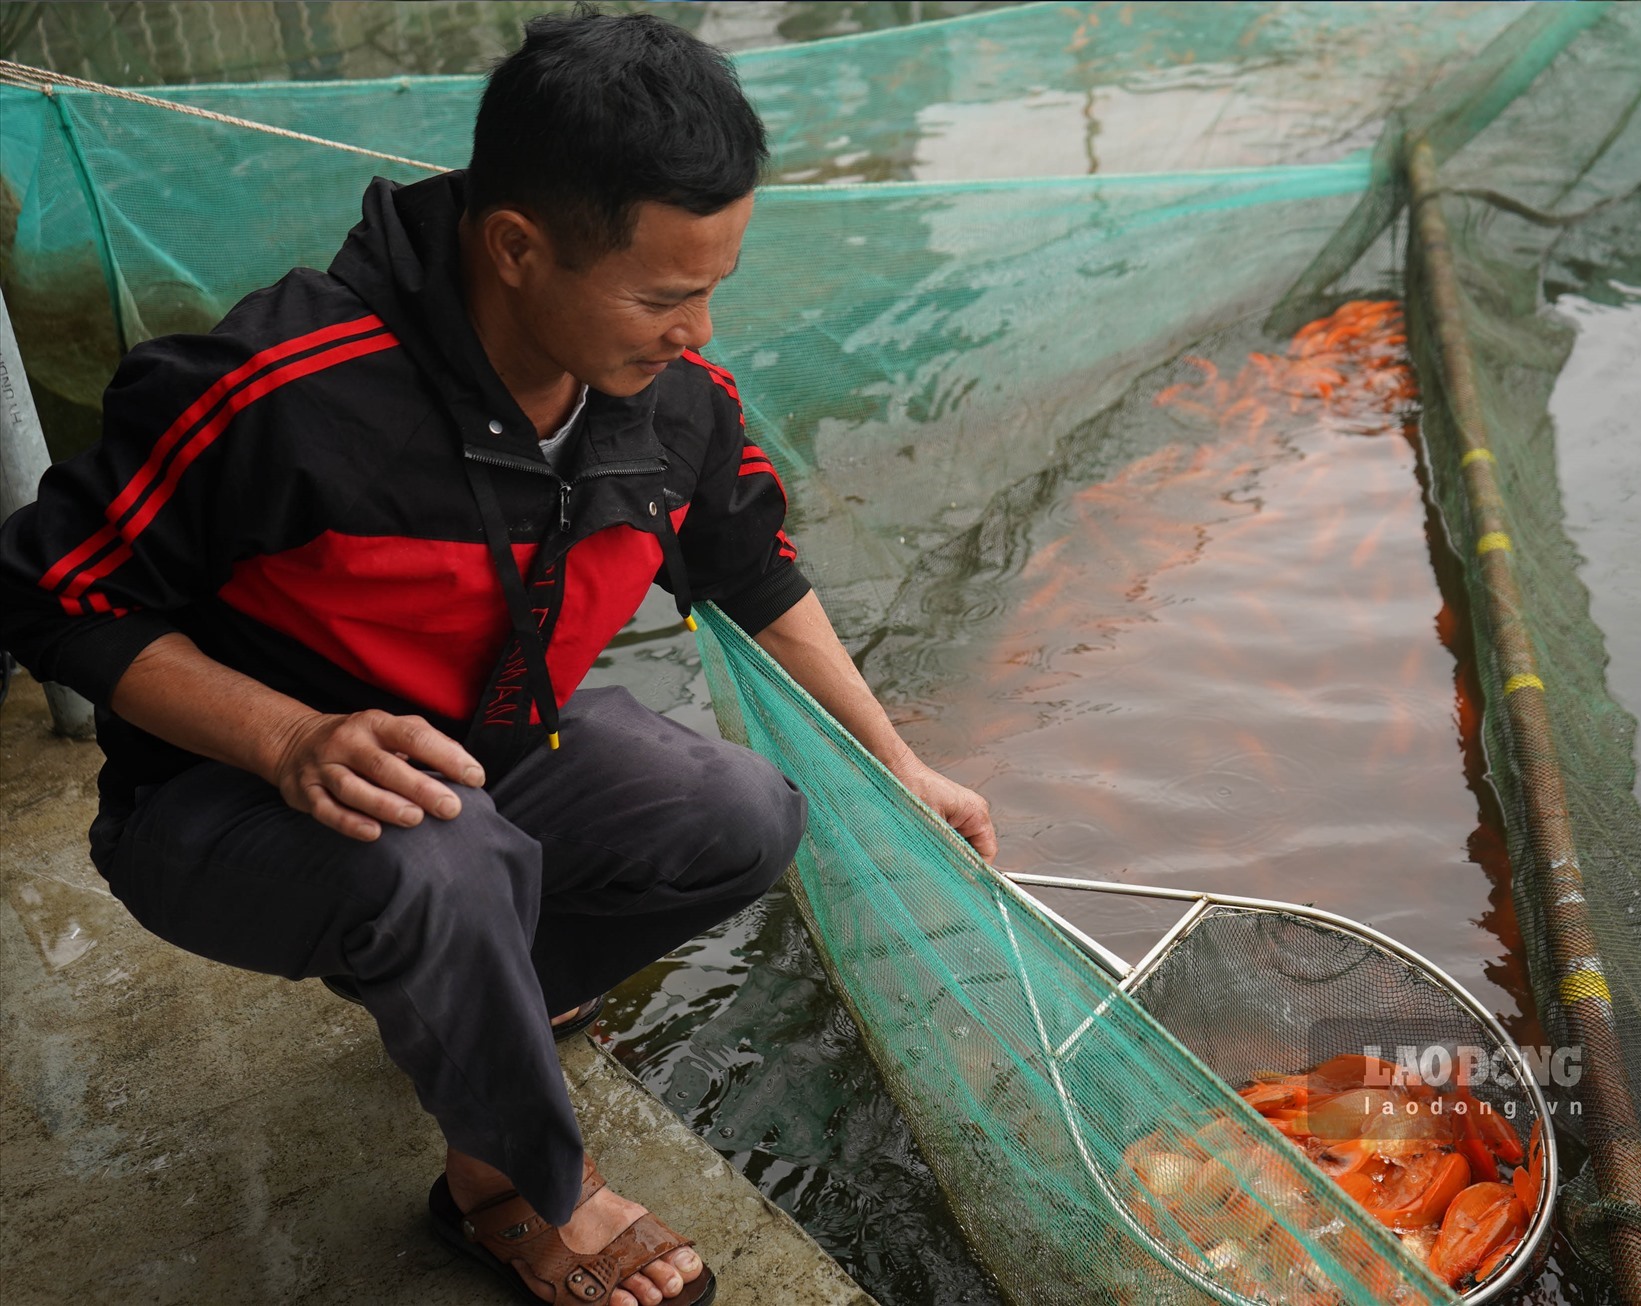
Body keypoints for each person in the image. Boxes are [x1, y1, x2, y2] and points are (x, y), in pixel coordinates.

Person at [0, 12, 996, 1306]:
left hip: (495, 751)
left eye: (714, 285)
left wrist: (903, 765)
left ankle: (491, 1004)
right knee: (442, 855)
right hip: (217, 804)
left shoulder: (673, 402)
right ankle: (510, 1187)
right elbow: (52, 592)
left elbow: (750, 564)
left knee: (743, 811)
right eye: (660, 292)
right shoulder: (278, 388)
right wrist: (288, 737)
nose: (695, 328)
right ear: (517, 248)